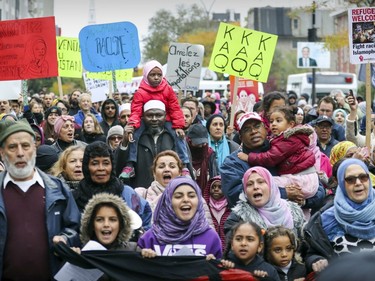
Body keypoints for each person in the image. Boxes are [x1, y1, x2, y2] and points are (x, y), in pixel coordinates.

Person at [0, 119, 81, 280]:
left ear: (35, 150)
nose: (20, 153)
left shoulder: (57, 188)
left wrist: (65, 238)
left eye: (26, 146)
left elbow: (75, 227)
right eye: (12, 147)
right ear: (2, 153)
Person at [303, 158, 375, 274]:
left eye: (363, 177)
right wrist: (316, 261)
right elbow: (312, 253)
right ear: (341, 183)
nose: (358, 183)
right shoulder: (325, 220)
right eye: (350, 179)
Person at [237, 106, 319, 203]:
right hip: (297, 182)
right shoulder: (233, 162)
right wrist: (284, 193)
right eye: (271, 121)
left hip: (303, 179)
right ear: (240, 137)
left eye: (257, 126)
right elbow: (236, 194)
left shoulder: (288, 140)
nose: (254, 131)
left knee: (267, 182)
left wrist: (249, 157)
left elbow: (270, 158)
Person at [121, 60, 187, 179]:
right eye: (152, 75)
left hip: (166, 120)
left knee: (178, 136)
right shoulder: (140, 92)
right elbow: (136, 111)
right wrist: (132, 126)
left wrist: (178, 126)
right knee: (134, 137)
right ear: (146, 75)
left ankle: (184, 165)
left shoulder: (168, 89)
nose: (156, 78)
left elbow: (175, 108)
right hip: (144, 121)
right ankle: (130, 164)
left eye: (159, 75)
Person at [73, 141, 152, 232]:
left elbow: (146, 218)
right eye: (95, 163)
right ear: (86, 167)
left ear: (112, 165)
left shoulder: (127, 193)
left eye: (106, 163)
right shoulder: (76, 197)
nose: (101, 168)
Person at [138, 176, 222, 258]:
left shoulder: (211, 237)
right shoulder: (150, 238)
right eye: (178, 196)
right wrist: (142, 258)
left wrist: (212, 266)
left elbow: (220, 269)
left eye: (191, 196)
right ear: (168, 202)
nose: (186, 200)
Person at [115, 100, 192, 188]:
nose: (154, 119)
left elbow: (187, 167)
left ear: (165, 117)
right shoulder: (134, 137)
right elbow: (118, 167)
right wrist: (125, 142)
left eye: (159, 115)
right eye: (150, 115)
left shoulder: (176, 136)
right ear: (143, 117)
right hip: (140, 194)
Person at [224, 166, 304, 238]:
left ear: (271, 186)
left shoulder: (294, 212)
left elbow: (306, 247)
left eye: (261, 182)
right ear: (245, 192)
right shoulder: (238, 218)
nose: (255, 187)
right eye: (249, 184)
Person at [186, 123, 219, 190]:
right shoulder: (183, 156)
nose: (201, 146)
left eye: (203, 143)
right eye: (197, 144)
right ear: (189, 141)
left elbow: (215, 177)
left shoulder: (210, 155)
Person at [202, 176, 230, 251]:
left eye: (220, 187)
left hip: (228, 249)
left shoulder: (230, 208)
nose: (216, 189)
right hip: (211, 248)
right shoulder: (205, 208)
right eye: (213, 187)